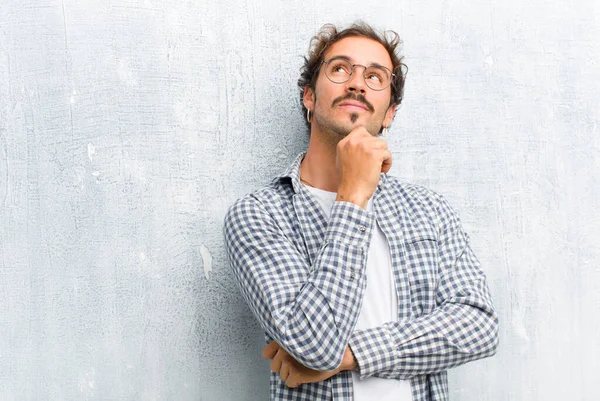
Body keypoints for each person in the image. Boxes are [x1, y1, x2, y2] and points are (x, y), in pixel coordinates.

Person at [223, 21, 499, 401]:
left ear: (389, 113)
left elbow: (478, 326)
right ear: (309, 96)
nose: (356, 83)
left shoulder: (428, 210)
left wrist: (350, 356)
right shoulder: (259, 215)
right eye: (340, 69)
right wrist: (352, 196)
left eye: (374, 76)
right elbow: (314, 344)